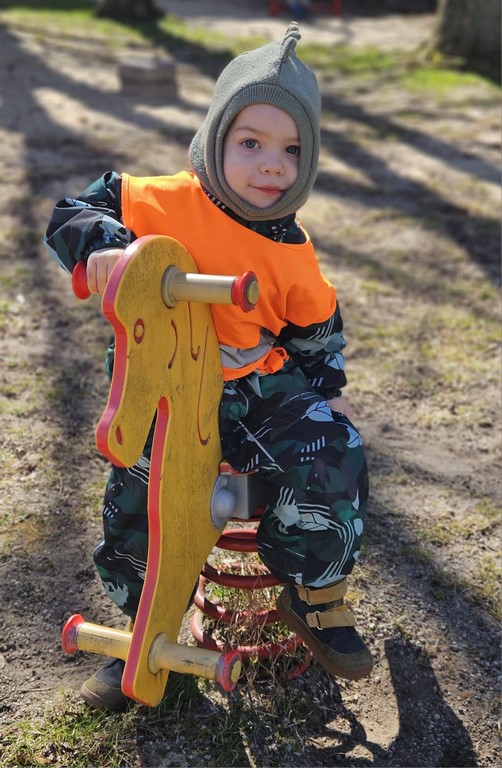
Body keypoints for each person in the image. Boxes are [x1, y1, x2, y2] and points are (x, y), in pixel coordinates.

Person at [45, 23, 372, 711]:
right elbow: (72, 209)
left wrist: (328, 393)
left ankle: (313, 591)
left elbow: (316, 333)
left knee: (333, 447)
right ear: (215, 138)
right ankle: (140, 628)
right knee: (142, 494)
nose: (271, 165)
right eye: (250, 142)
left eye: (292, 150)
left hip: (256, 388)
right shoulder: (159, 200)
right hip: (163, 382)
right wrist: (102, 245)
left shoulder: (293, 248)